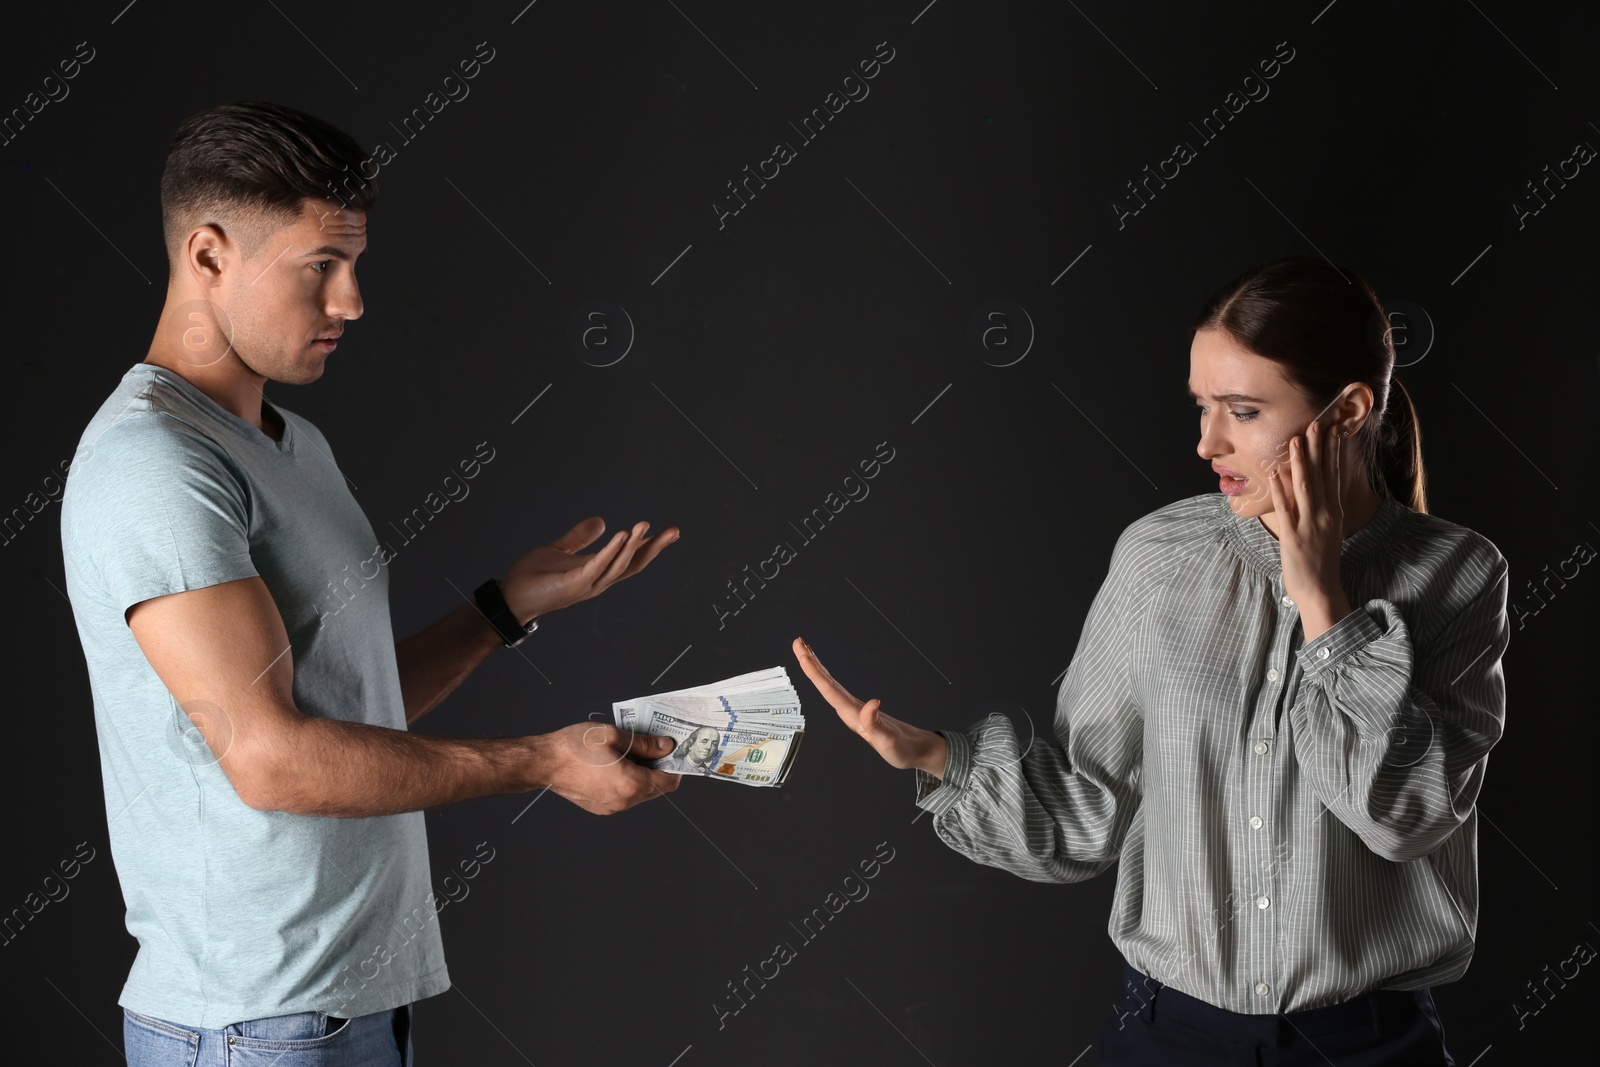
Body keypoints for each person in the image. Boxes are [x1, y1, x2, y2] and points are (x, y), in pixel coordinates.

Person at [59, 100, 683, 1067]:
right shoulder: (154, 462)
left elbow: (345, 704)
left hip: (339, 1007)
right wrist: (546, 761)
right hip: (253, 1023)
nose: (352, 301)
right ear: (211, 255)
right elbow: (269, 757)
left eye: (354, 266)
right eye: (321, 267)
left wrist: (503, 609)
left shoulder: (290, 444)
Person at [793, 255, 1509, 1066]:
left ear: (1347, 410)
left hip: (1367, 1043)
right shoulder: (1158, 556)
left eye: (1242, 410)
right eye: (1202, 406)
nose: (1207, 441)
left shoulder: (1458, 573)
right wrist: (934, 758)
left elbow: (1402, 815)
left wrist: (1324, 603)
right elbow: (1090, 807)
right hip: (1171, 1037)